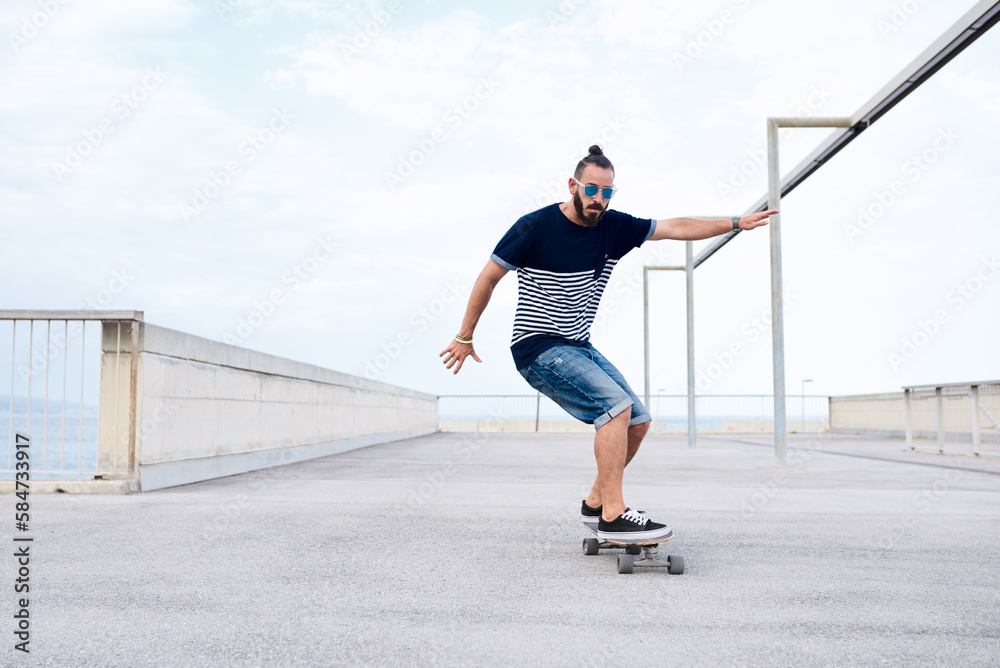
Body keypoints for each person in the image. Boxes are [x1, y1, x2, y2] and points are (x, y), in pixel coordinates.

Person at [440, 145, 776, 543]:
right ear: (573, 185)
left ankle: (597, 502)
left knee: (637, 421)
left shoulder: (614, 227)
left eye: (607, 192)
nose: (599, 199)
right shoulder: (534, 227)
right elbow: (488, 276)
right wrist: (465, 335)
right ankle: (615, 515)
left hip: (578, 347)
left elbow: (676, 227)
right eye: (592, 190)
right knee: (614, 409)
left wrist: (735, 222)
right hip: (538, 348)